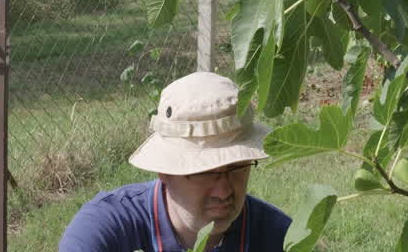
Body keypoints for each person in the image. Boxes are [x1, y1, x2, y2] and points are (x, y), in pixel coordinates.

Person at [59, 72, 291, 251]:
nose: (223, 191)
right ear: (165, 172)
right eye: (204, 171)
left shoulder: (279, 237)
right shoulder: (107, 230)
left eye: (235, 166)